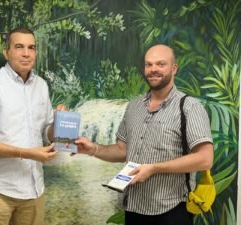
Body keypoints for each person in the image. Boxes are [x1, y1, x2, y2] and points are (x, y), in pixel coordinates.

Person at [75, 44, 214, 225]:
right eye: (149, 65)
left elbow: (205, 158)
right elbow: (122, 150)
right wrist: (93, 149)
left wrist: (154, 168)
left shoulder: (189, 107)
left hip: (171, 211)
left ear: (174, 68)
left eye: (160, 64)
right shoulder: (133, 106)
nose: (153, 69)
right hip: (133, 209)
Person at [0, 27, 64, 225]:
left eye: (31, 47)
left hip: (34, 191)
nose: (26, 53)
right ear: (6, 52)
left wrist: (58, 124)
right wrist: (27, 153)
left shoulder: (41, 85)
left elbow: (47, 134)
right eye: (19, 46)